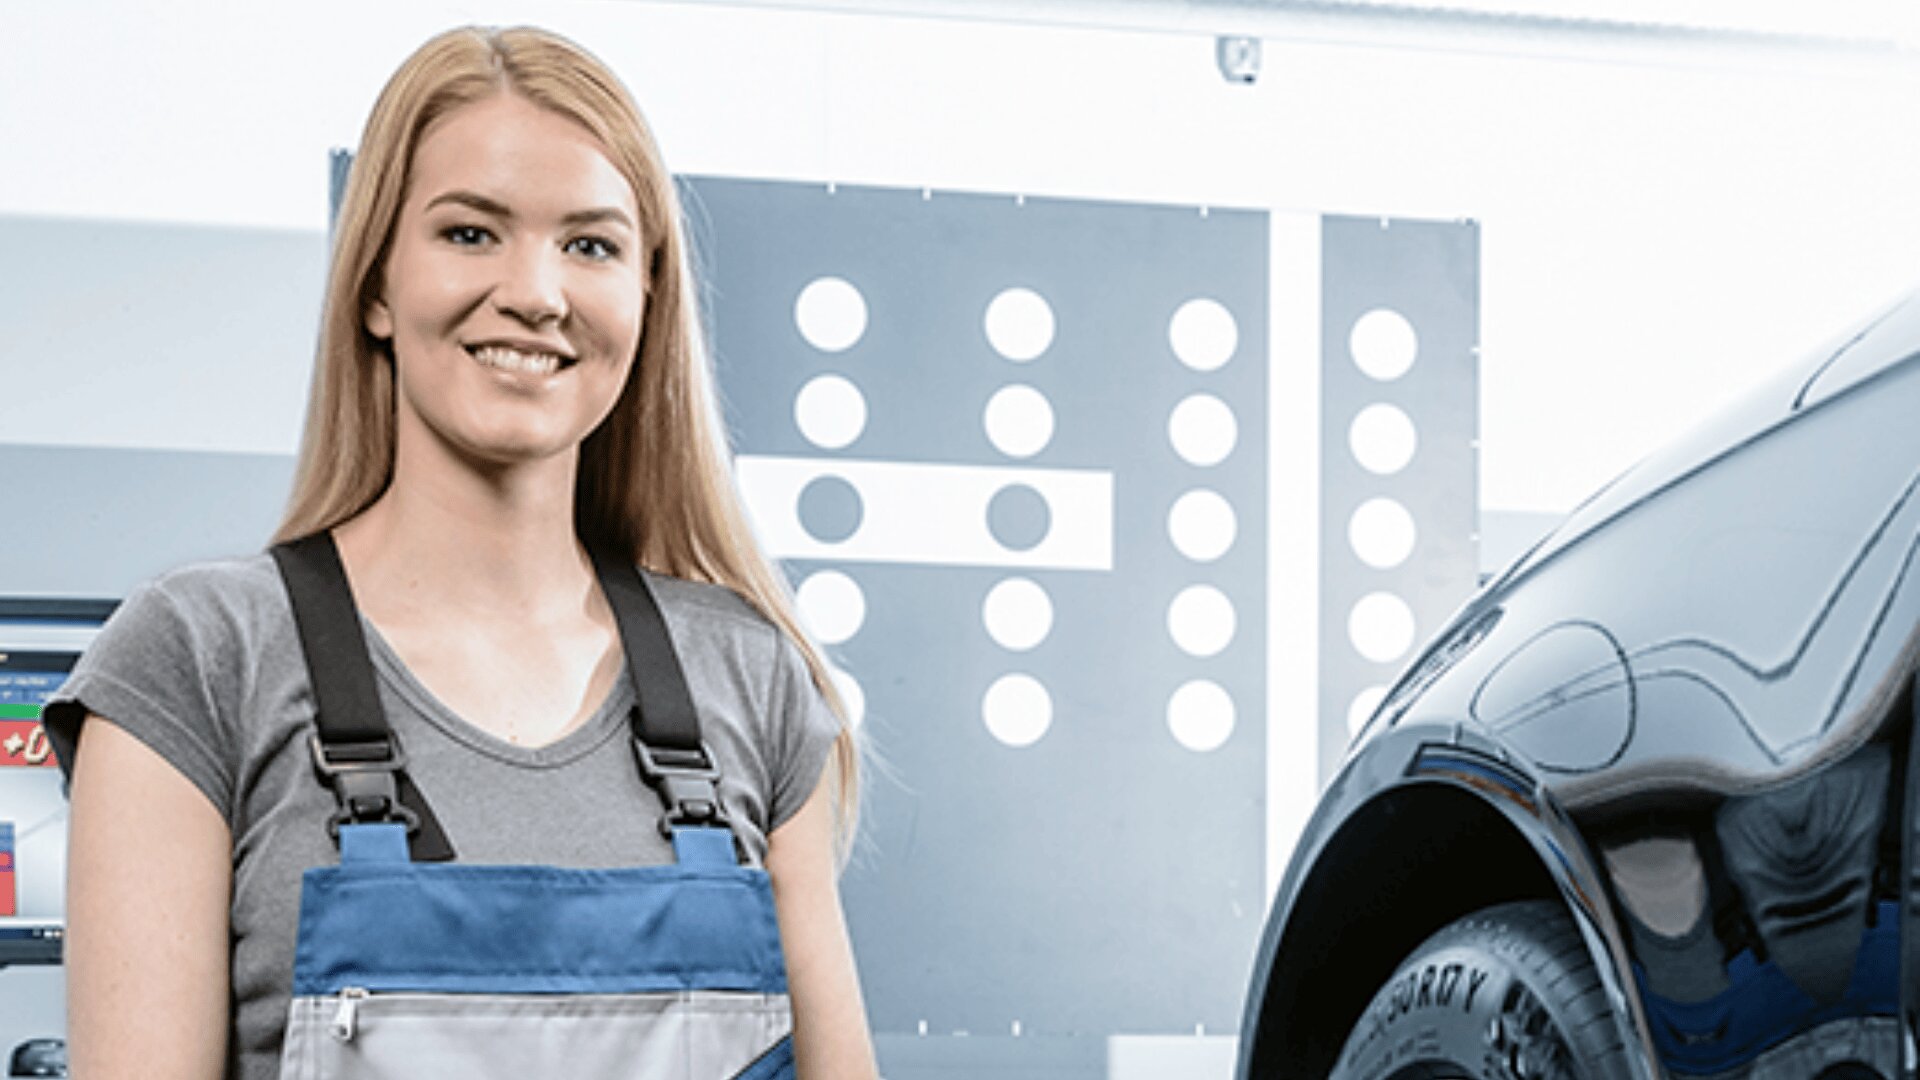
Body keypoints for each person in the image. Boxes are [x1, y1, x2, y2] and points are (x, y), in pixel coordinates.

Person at [47, 24, 878, 1080]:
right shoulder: (204, 661)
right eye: (471, 233)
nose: (537, 292)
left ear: (646, 299)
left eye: (591, 245)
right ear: (376, 287)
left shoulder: (748, 680)